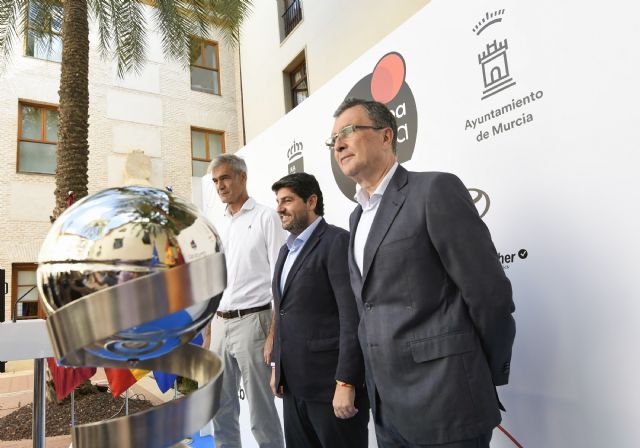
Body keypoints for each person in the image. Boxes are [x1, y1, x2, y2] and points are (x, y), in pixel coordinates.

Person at [328, 98, 516, 448]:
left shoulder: (433, 190)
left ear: (386, 136)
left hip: (449, 401)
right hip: (388, 411)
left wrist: (475, 369)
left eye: (349, 131)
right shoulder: (356, 218)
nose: (338, 144)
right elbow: (366, 312)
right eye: (333, 139)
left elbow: (490, 295)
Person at [269, 172, 369, 448]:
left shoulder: (336, 241)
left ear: (311, 201)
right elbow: (284, 311)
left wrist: (347, 382)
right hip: (294, 389)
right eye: (278, 201)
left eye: (287, 200)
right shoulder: (284, 252)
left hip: (331, 389)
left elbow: (352, 316)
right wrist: (278, 366)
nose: (279, 208)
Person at [204, 154, 285, 448]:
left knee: (262, 413)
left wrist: (274, 333)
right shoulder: (217, 223)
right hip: (219, 324)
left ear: (242, 177)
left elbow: (280, 278)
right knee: (220, 410)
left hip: (255, 322)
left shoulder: (266, 217)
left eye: (225, 178)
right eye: (215, 181)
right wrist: (209, 329)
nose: (220, 186)